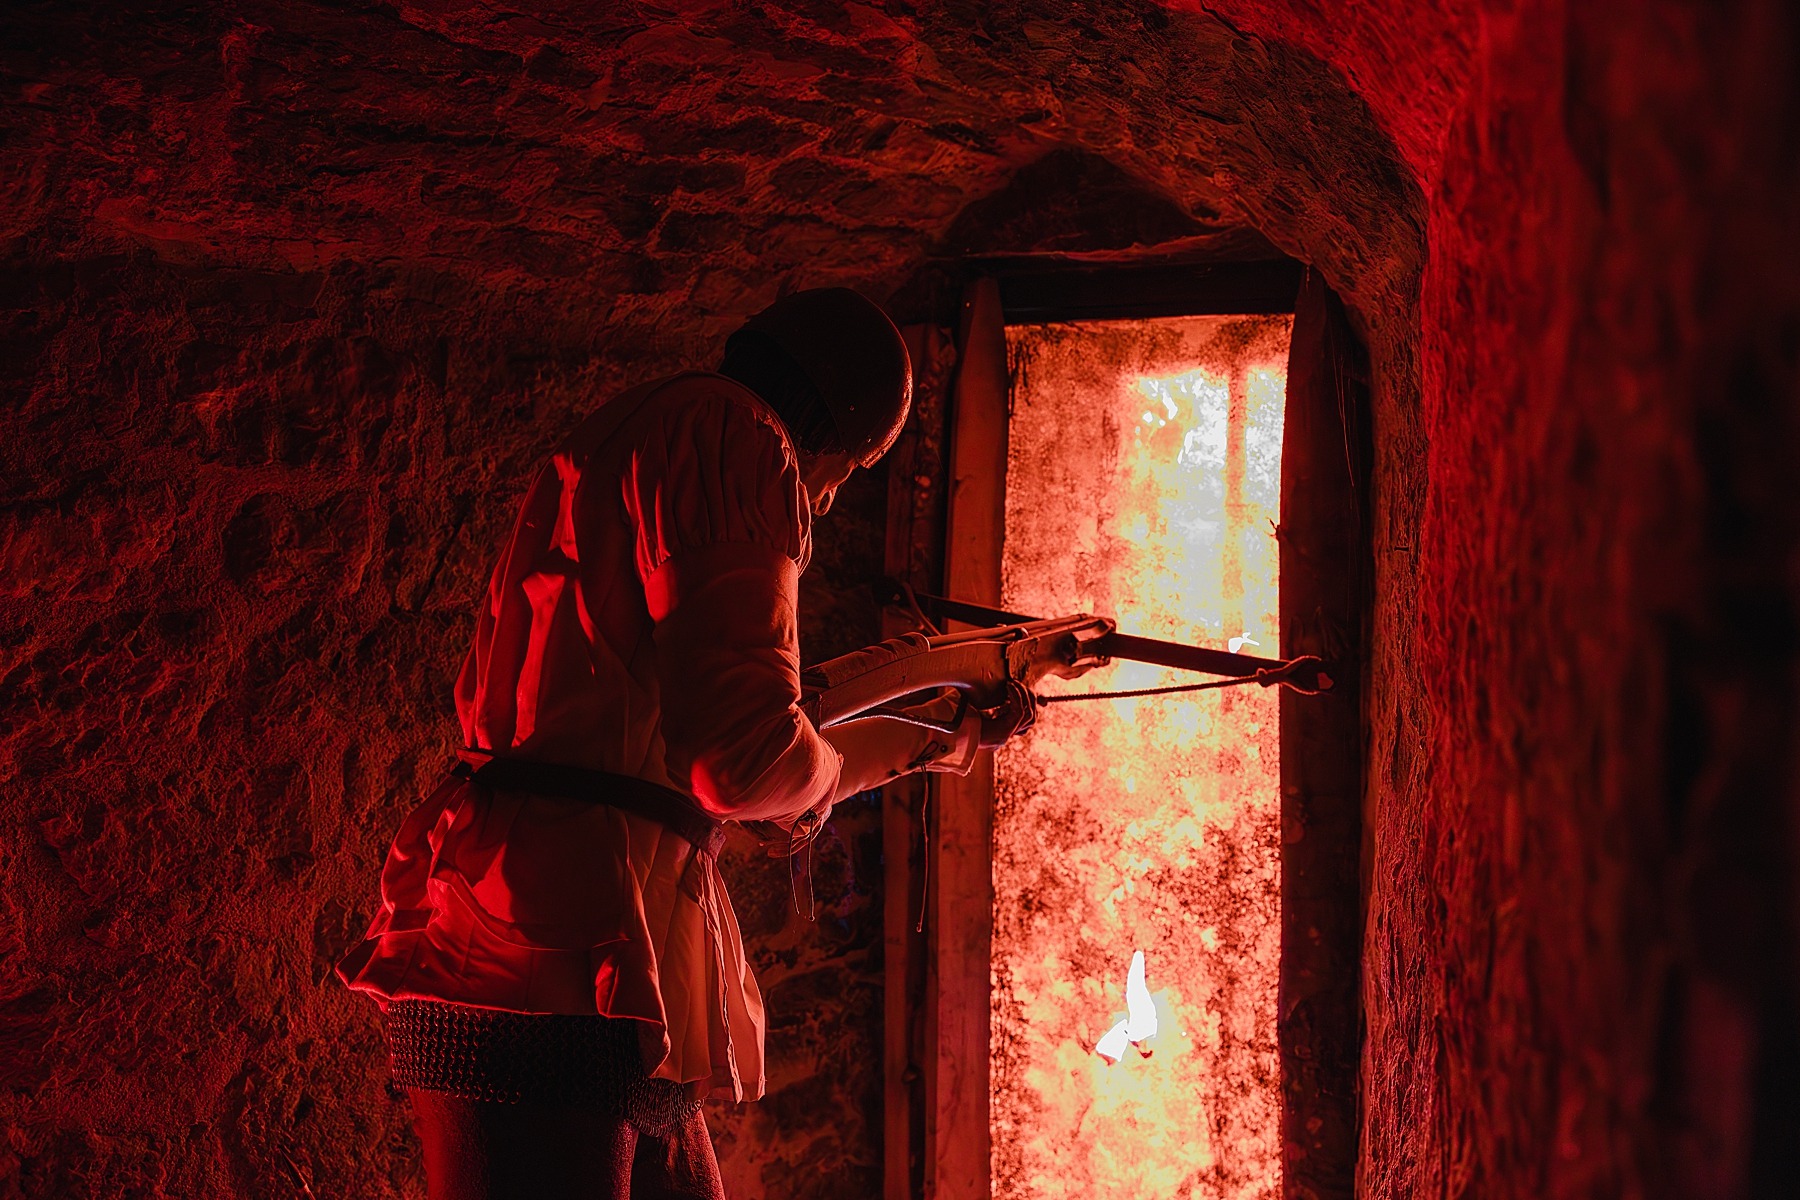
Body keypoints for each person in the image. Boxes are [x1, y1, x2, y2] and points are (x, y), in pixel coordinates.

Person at [337, 288, 1035, 1199]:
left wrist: (930, 740)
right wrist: (890, 750)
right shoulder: (742, 439)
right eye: (846, 472)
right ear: (838, 438)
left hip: (576, 915)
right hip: (561, 937)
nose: (824, 497)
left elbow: (713, 744)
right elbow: (744, 763)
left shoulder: (647, 424)